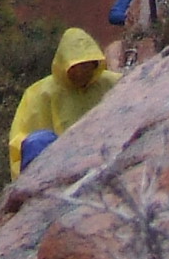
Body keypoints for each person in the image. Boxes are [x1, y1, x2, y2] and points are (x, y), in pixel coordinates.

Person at [8, 27, 113, 176]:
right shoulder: (40, 93)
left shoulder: (114, 83)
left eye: (86, 65)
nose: (81, 72)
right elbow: (22, 142)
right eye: (76, 67)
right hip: (56, 169)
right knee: (38, 140)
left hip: (107, 158)